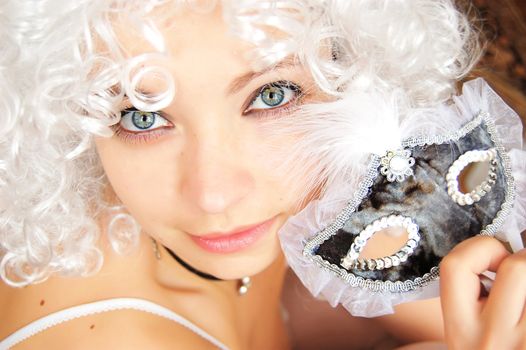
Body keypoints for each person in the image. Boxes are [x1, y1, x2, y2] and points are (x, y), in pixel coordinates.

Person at [0, 0, 525, 349]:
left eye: (272, 95)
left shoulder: (311, 203)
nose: (212, 195)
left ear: (353, 69)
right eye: (142, 116)